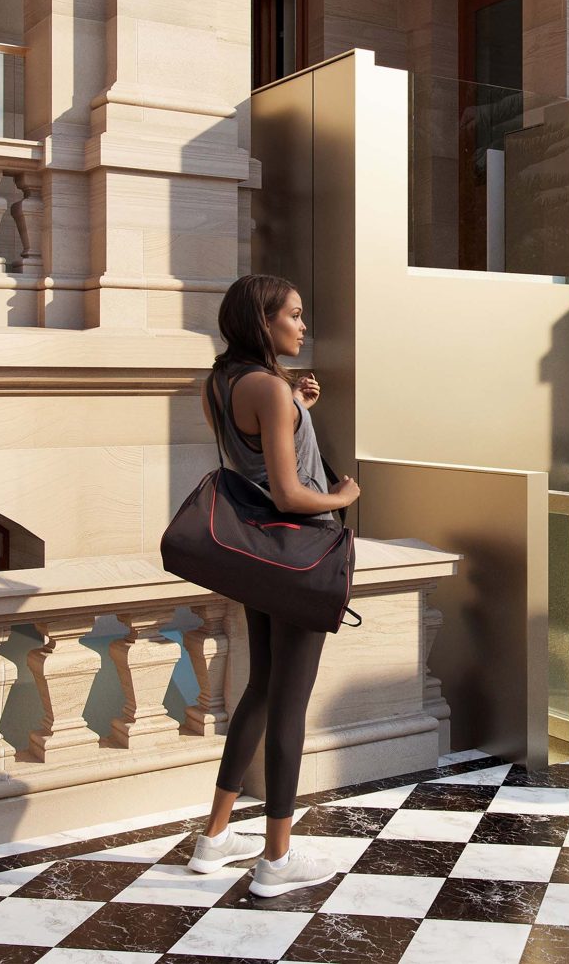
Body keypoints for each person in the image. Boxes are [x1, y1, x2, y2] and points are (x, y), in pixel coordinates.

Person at [186, 275, 359, 897]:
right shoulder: (268, 388)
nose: (303, 326)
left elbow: (256, 456)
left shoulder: (224, 384)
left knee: (261, 689)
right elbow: (289, 492)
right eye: (295, 314)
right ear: (265, 322)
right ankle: (276, 860)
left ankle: (214, 838)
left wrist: (298, 409)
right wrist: (343, 495)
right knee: (289, 702)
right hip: (300, 552)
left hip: (260, 556)